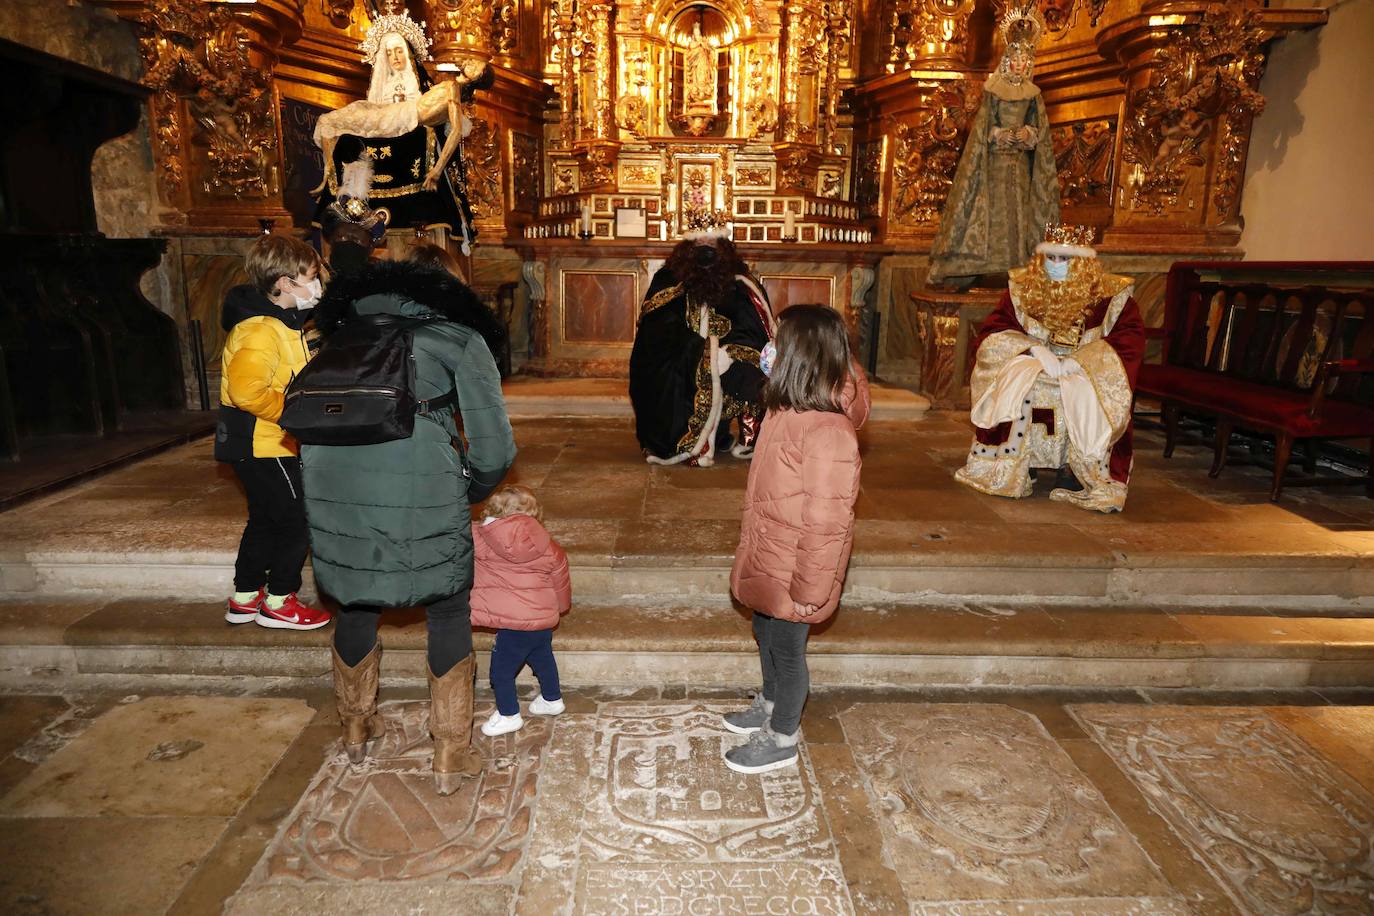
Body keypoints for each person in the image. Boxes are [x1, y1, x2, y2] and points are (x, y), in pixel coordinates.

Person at [302, 250, 515, 795]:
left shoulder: (338, 335)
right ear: (450, 287)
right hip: (422, 485)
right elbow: (494, 450)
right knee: (446, 609)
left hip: (333, 491)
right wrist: (464, 492)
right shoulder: (460, 339)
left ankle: (354, 724)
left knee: (354, 598)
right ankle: (449, 752)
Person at [723, 304, 870, 774]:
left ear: (800, 355)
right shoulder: (786, 409)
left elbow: (828, 523)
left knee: (788, 650)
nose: (769, 351)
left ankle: (783, 734)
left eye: (777, 342)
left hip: (800, 567)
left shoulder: (828, 431)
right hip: (772, 552)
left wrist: (810, 589)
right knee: (764, 628)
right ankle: (767, 704)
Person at [954, 224, 1144, 513]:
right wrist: (1033, 349)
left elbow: (1128, 342)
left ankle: (1073, 467)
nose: (1055, 266)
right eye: (1050, 258)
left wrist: (1080, 361)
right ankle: (1019, 462)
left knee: (1081, 391)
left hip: (1084, 368)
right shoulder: (1021, 289)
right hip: (1036, 361)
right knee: (1021, 380)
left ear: (1082, 263)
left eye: (1063, 259)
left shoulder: (1113, 298)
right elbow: (994, 331)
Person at [216, 233, 332, 632]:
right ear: (284, 282)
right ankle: (281, 600)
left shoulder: (280, 325)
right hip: (264, 442)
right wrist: (293, 415)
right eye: (311, 276)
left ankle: (246, 597)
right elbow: (246, 390)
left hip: (261, 442)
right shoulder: (261, 329)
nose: (316, 284)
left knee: (265, 519)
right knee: (298, 518)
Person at [926, 6, 1059, 287]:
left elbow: (1040, 131)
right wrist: (998, 134)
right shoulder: (993, 91)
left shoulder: (1033, 95)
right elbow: (983, 127)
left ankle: (1019, 264)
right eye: (1015, 60)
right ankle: (987, 264)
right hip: (996, 164)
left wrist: (1028, 133)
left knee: (1019, 214)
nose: (1020, 65)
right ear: (1007, 61)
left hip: (1019, 165)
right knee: (995, 212)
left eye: (1025, 60)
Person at [629, 227, 774, 466]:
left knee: (755, 369)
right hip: (680, 363)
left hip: (728, 363)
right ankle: (680, 439)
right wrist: (702, 353)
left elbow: (754, 329)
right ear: (687, 247)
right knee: (664, 375)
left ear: (723, 245)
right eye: (700, 242)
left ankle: (741, 437)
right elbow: (656, 334)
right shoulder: (667, 279)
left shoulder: (740, 280)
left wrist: (729, 352)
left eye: (712, 241)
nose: (706, 246)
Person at [470, 485, 571, 737]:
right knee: (543, 659)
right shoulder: (548, 544)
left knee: (501, 672)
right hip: (541, 621)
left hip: (512, 625)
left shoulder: (476, 538)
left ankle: (508, 714)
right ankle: (552, 699)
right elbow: (561, 579)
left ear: (493, 511)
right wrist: (560, 608)